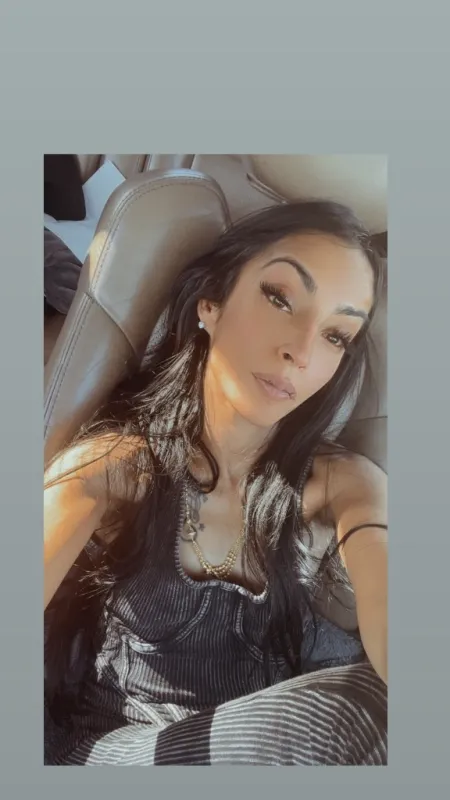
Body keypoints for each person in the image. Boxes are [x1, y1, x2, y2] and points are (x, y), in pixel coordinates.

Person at [44, 200, 388, 766]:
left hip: (276, 751)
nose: (301, 351)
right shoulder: (114, 469)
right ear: (211, 302)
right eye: (280, 298)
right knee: (360, 713)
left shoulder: (344, 484)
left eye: (336, 335)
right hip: (121, 750)